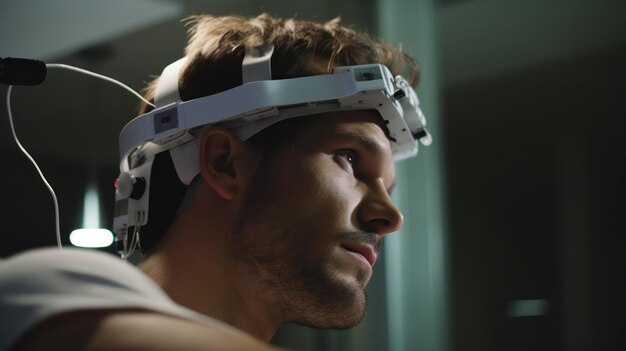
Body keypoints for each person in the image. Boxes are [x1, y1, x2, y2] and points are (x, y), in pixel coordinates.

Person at [0, 13, 426, 350]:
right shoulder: (44, 296)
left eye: (387, 187)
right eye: (350, 159)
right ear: (225, 163)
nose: (390, 215)